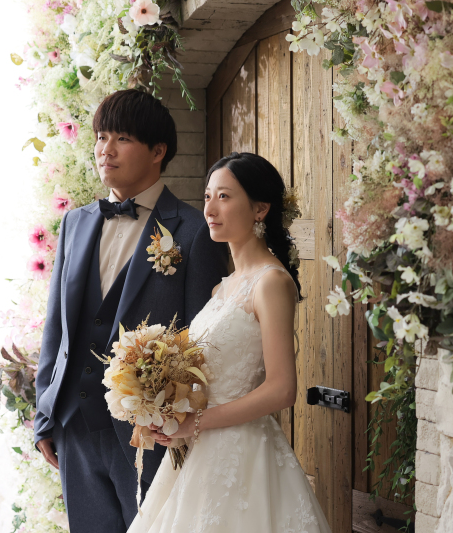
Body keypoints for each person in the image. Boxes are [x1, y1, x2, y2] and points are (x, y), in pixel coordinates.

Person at [33, 89, 228, 533]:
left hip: (151, 433)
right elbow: (56, 325)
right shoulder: (76, 222)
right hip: (73, 425)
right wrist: (45, 413)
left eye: (121, 138)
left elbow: (204, 341)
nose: (106, 149)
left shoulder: (194, 231)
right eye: (102, 137)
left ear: (158, 151)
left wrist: (182, 422)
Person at [127, 152, 331, 533]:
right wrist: (168, 411)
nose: (210, 208)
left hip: (244, 453)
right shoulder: (224, 285)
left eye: (224, 196)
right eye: (207, 196)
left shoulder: (270, 282)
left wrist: (195, 423)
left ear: (260, 209)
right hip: (200, 451)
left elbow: (283, 389)